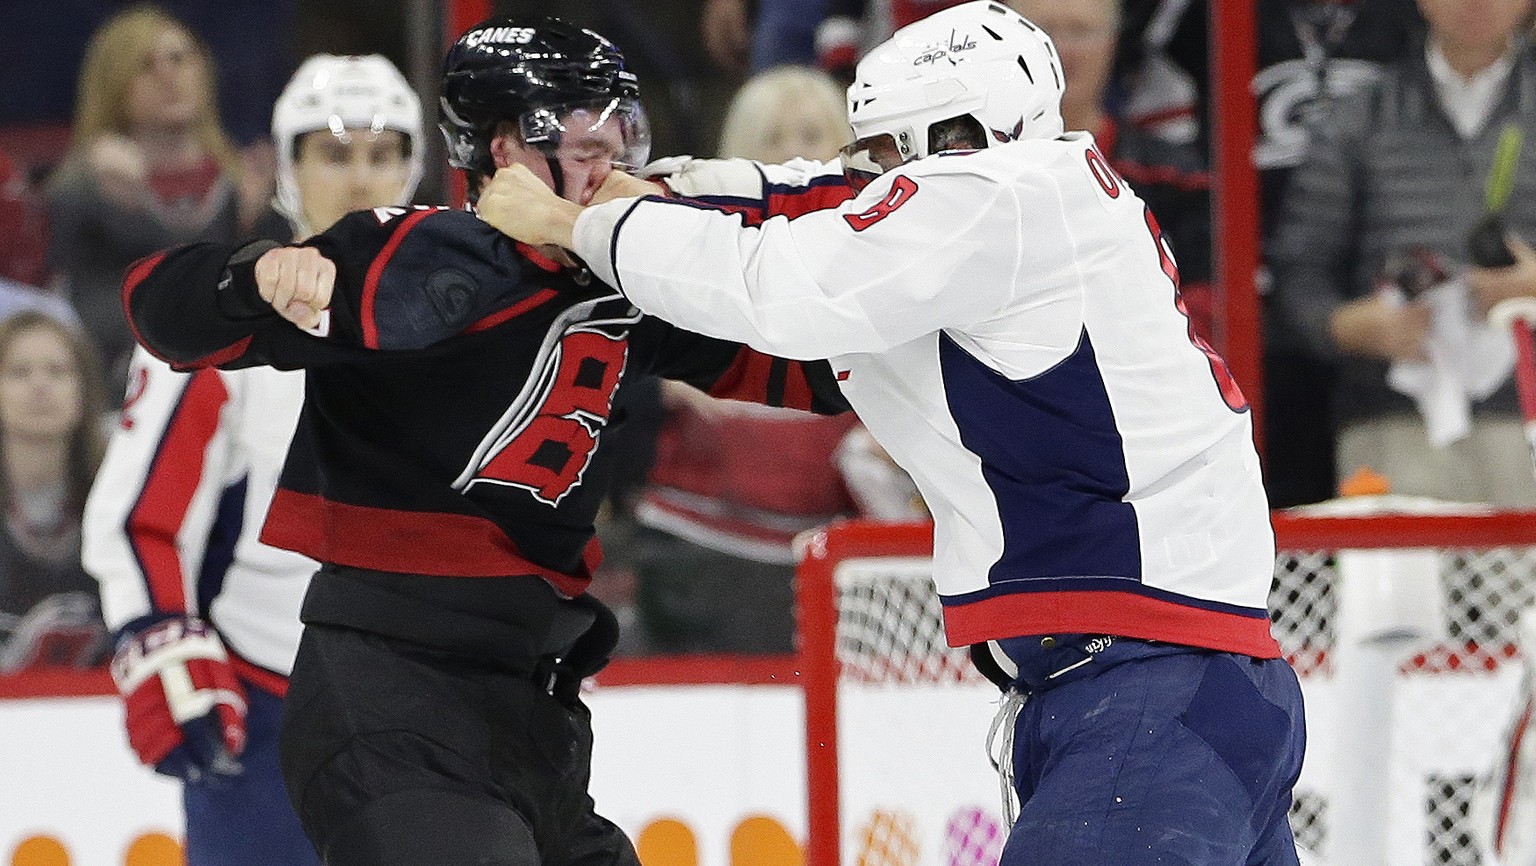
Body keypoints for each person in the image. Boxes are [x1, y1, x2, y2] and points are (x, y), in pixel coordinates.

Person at [482, 2, 1306, 862]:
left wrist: (578, 224)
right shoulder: (1039, 191)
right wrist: (667, 191)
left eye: (884, 152)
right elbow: (819, 200)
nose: (871, 178)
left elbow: (788, 285)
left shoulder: (1004, 199)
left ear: (947, 136)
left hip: (1144, 691)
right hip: (1187, 684)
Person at [119, 17, 849, 864]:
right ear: (503, 153)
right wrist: (248, 278)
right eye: (581, 145)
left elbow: (816, 370)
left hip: (536, 724)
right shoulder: (409, 256)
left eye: (621, 138)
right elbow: (158, 308)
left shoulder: (632, 277)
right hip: (392, 708)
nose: (609, 167)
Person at [82, 54, 423, 866]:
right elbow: (141, 517)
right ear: (288, 166)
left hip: (436, 705)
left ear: (414, 167)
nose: (360, 178)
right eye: (334, 155)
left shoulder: (476, 319)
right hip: (271, 705)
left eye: (382, 154)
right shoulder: (220, 318)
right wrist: (162, 639)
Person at [628, 65, 918, 655]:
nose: (792, 153)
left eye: (811, 137)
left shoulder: (889, 277)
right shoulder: (682, 261)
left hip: (833, 566)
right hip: (694, 554)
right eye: (772, 138)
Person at [1269, 0, 1536, 507]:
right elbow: (1297, 269)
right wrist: (1345, 324)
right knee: (1399, 587)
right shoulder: (1358, 116)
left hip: (1529, 418)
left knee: (1527, 587)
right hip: (1389, 414)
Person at [46, 4, 266, 399]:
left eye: (180, 58)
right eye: (146, 66)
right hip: (113, 395)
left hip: (231, 395)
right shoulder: (79, 189)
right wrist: (88, 192)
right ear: (113, 84)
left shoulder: (249, 186)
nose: (170, 76)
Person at [0, 310, 108, 674]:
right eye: (19, 372)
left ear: (84, 389)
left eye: (57, 371)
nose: (39, 385)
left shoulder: (118, 495)